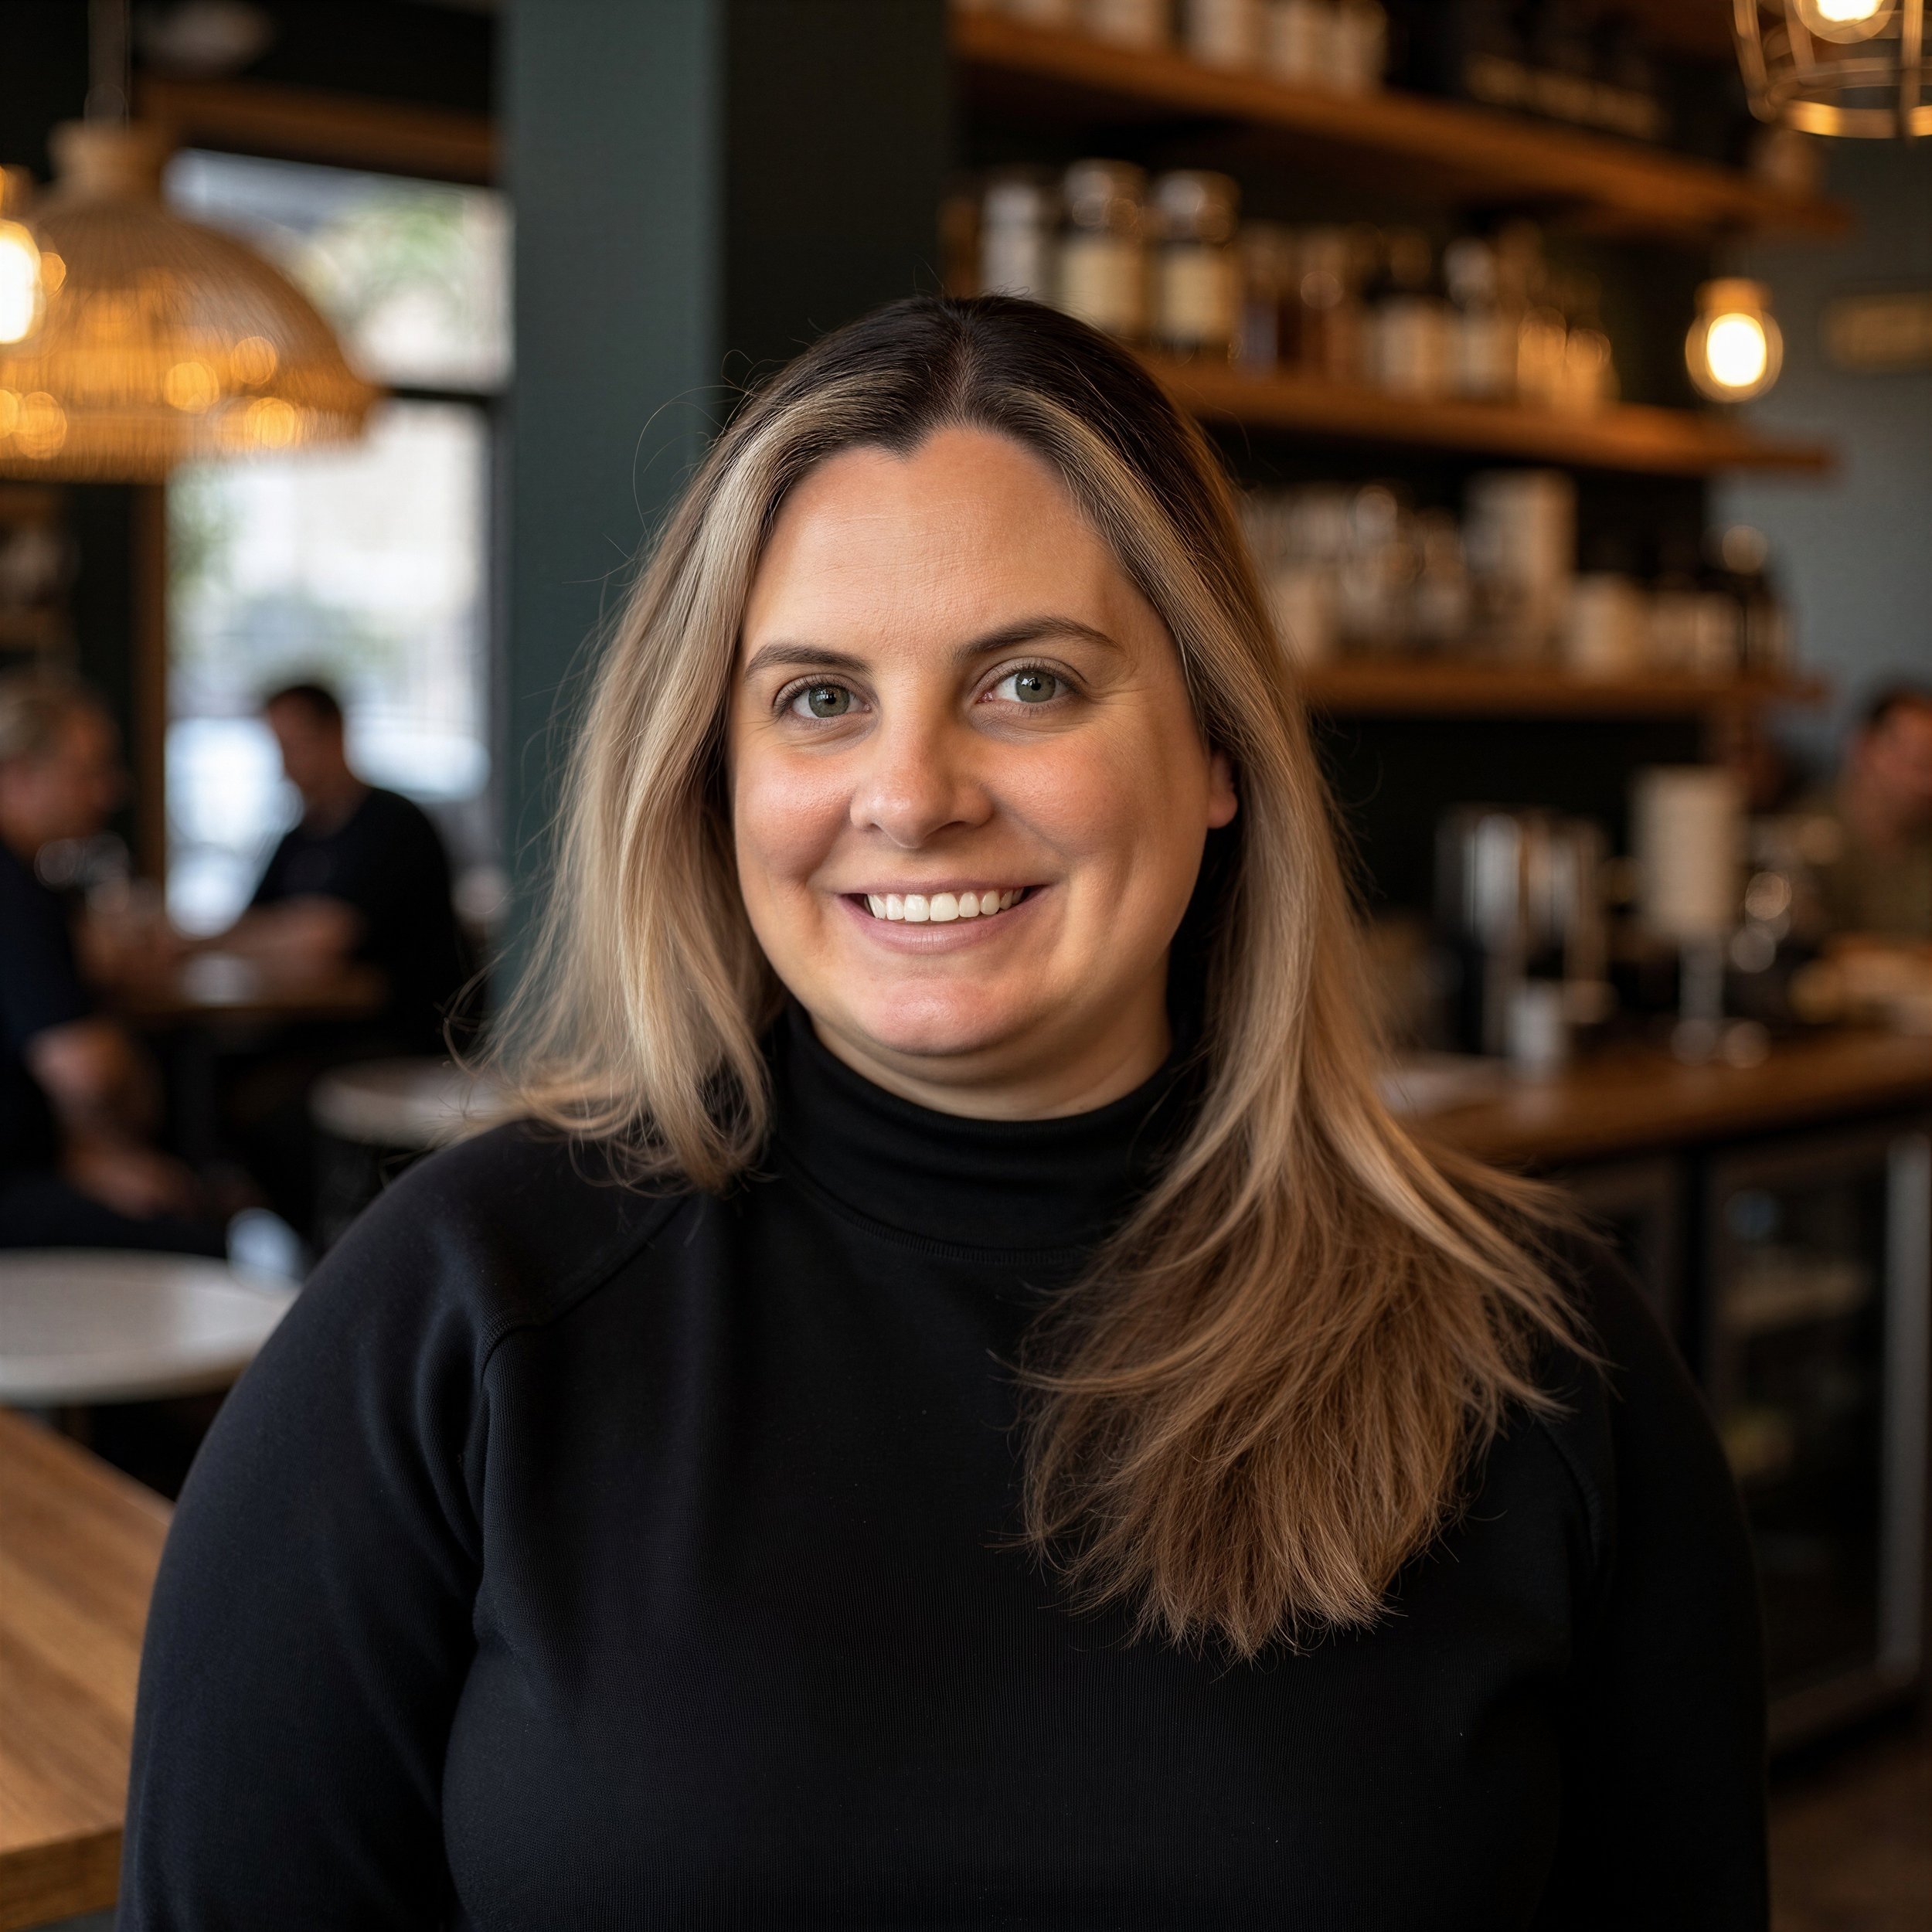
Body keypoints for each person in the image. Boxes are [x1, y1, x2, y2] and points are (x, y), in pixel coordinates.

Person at [122, 298, 1765, 1927]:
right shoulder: (457, 1311)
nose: (909, 795)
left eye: (1029, 682)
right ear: (714, 774)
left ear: (1216, 746)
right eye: (818, 698)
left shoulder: (1536, 1357)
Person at [0, 674, 221, 1254]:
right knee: (191, 1231)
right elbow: (86, 1073)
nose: (111, 790)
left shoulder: (31, 882)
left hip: (33, 1163)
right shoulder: (13, 891)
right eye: (88, 772)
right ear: (19, 776)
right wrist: (105, 1153)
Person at [221, 681, 471, 1054]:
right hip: (319, 1031)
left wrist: (276, 936)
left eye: (294, 746)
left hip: (405, 1041)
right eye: (279, 749)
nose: (286, 766)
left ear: (335, 734)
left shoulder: (395, 825)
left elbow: (326, 938)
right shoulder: (298, 838)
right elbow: (248, 923)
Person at [1804, 682, 1932, 941]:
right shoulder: (1805, 835)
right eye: (1916, 762)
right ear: (1862, 747)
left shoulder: (1924, 842)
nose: (1926, 784)